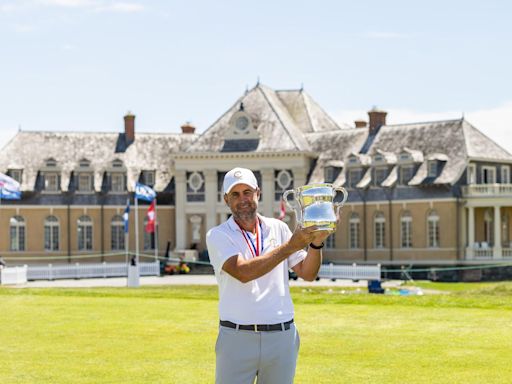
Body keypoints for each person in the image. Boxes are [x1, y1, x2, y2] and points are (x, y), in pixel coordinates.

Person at [206, 167, 331, 384]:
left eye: (247, 192)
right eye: (235, 194)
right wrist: (289, 246)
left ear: (258, 193)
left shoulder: (278, 228)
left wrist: (316, 242)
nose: (242, 199)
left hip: (281, 336)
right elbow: (243, 272)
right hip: (236, 338)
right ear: (226, 199)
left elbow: (308, 273)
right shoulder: (217, 235)